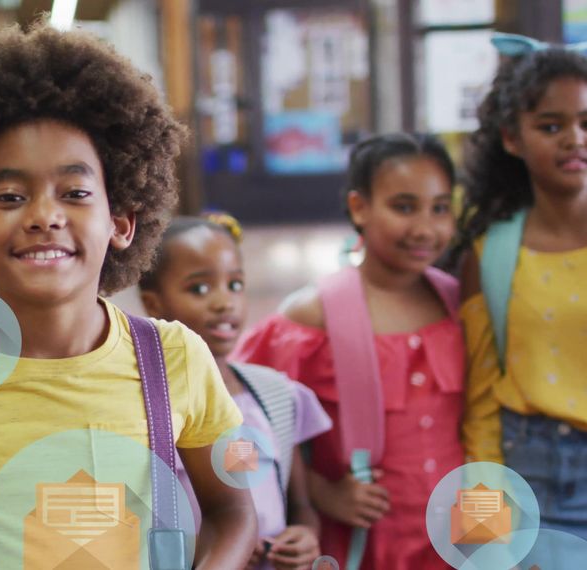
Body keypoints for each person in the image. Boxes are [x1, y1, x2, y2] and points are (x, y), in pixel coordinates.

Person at [0, 23, 257, 570]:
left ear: (120, 221)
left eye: (75, 192)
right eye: (11, 195)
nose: (45, 216)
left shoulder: (176, 359)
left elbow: (233, 511)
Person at [234, 133, 464, 569]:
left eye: (440, 208)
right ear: (360, 207)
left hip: (453, 538)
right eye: (404, 206)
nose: (425, 228)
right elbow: (247, 417)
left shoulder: (456, 302)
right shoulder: (313, 315)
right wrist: (320, 492)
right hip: (363, 543)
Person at [138, 213, 333, 569]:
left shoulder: (275, 395)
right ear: (154, 304)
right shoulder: (149, 407)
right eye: (199, 288)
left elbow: (300, 506)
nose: (224, 301)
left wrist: (304, 535)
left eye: (235, 285)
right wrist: (216, 548)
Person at [455, 37, 587, 537]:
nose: (574, 138)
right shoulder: (491, 255)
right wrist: (484, 519)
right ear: (512, 138)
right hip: (531, 478)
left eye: (585, 123)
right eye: (551, 126)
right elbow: (482, 403)